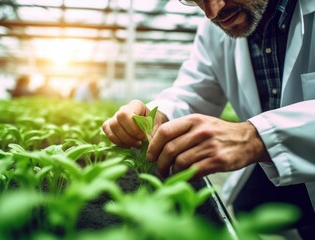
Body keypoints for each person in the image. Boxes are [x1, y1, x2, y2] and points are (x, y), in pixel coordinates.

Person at [102, 0, 315, 239]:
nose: (212, 12)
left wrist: (255, 137)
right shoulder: (217, 25)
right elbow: (194, 91)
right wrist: (156, 116)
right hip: (276, 186)